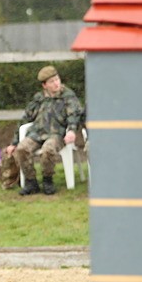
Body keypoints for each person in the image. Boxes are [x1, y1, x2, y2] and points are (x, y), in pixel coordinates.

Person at [6, 65, 84, 196]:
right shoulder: (39, 98)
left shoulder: (68, 96)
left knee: (48, 149)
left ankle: (48, 180)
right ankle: (31, 182)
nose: (56, 83)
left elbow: (74, 115)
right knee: (22, 149)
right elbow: (25, 118)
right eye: (52, 81)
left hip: (57, 135)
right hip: (36, 133)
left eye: (57, 79)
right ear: (44, 85)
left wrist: (71, 130)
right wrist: (13, 143)